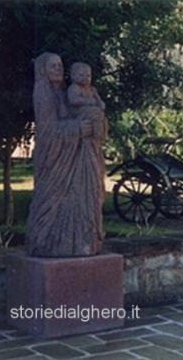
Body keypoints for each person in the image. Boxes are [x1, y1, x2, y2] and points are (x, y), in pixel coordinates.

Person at [25, 52, 105, 257]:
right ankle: (52, 242)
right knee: (55, 202)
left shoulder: (64, 91)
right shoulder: (43, 92)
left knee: (84, 197)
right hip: (56, 161)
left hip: (77, 156)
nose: (58, 69)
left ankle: (80, 242)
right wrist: (78, 129)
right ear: (43, 69)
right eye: (53, 66)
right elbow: (48, 130)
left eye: (60, 65)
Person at [67, 62, 107, 141]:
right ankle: (96, 133)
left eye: (88, 76)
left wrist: (101, 104)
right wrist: (89, 101)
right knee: (94, 112)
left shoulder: (92, 89)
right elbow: (73, 100)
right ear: (73, 76)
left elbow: (98, 100)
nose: (85, 78)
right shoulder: (74, 88)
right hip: (78, 111)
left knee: (99, 114)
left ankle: (98, 134)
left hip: (91, 111)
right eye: (81, 75)